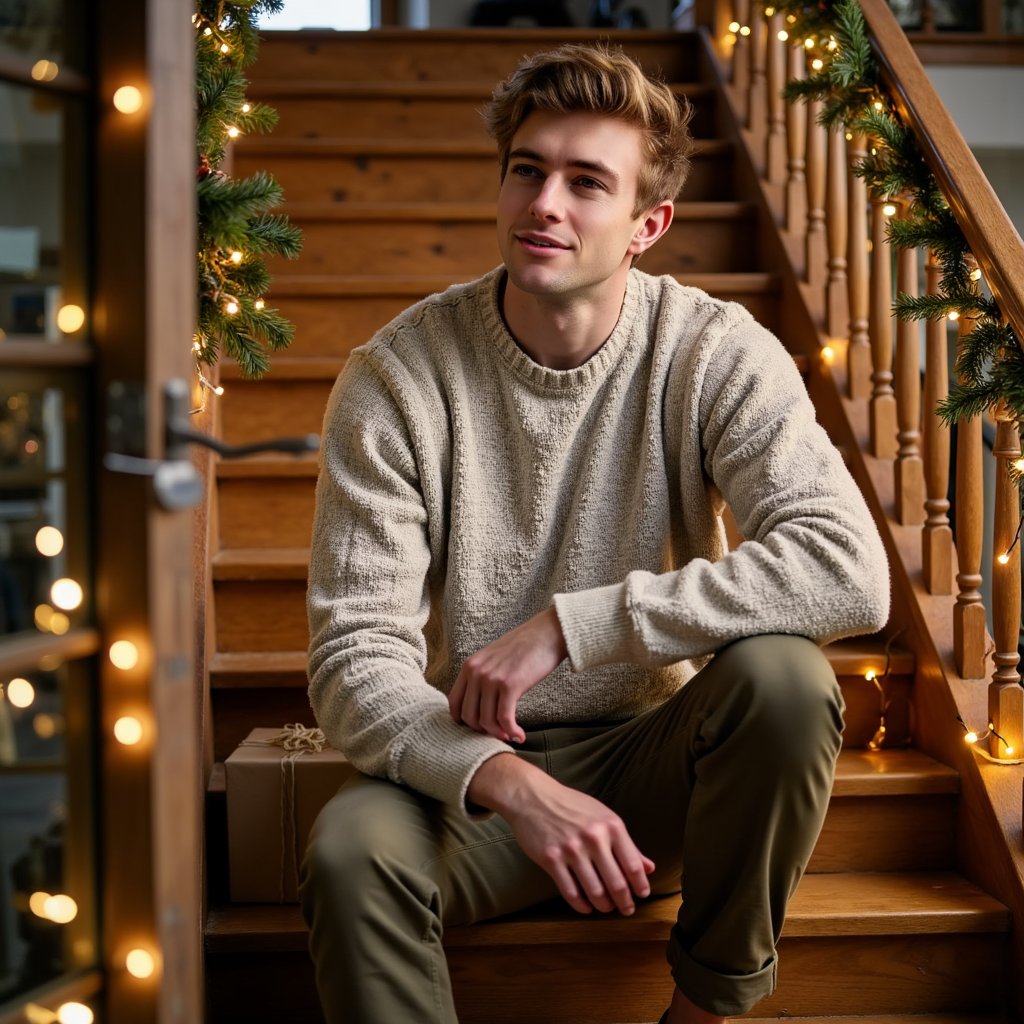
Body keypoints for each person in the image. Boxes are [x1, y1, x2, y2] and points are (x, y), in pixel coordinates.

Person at [301, 43, 889, 1024]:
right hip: (473, 770)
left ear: (646, 225)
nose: (545, 204)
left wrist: (570, 626)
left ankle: (709, 1006)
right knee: (345, 849)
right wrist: (514, 786)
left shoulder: (712, 350)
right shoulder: (397, 377)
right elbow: (354, 659)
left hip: (664, 767)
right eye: (527, 170)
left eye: (586, 183)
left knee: (786, 679)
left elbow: (846, 571)